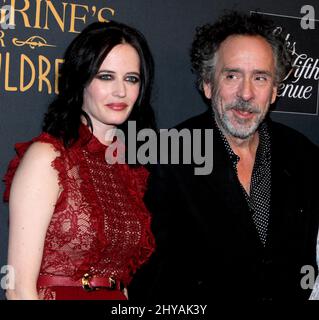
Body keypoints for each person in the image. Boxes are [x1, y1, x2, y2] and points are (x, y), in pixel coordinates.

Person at [129, 11, 319, 301]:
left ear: (274, 91)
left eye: (260, 78)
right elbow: (150, 278)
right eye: (232, 76)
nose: (246, 93)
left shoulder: (303, 155)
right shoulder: (167, 156)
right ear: (207, 84)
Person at [3, 20, 156, 300]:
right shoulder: (48, 157)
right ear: (81, 79)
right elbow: (16, 287)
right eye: (105, 76)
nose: (121, 91)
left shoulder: (131, 167)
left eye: (131, 79)